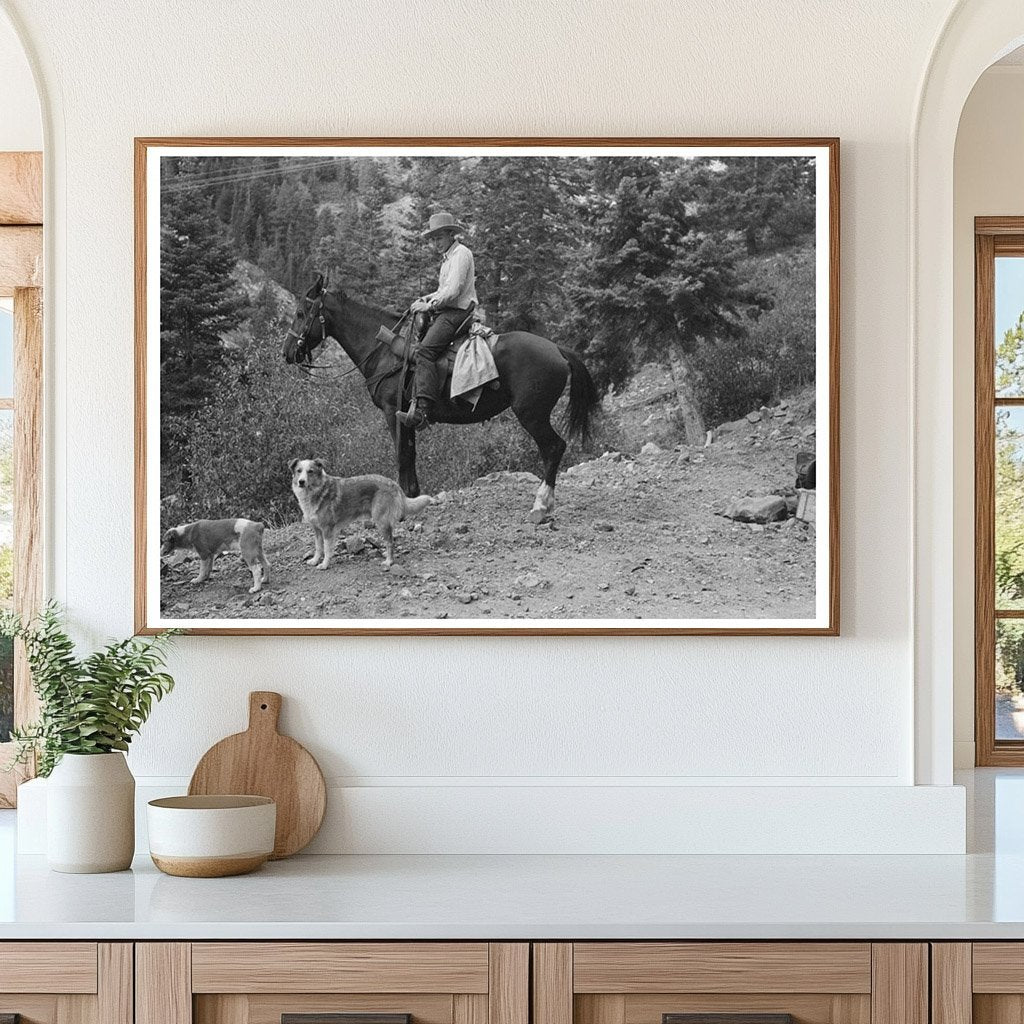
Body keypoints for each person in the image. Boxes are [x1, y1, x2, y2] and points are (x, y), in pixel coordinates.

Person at [396, 211, 478, 430]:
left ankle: (423, 411)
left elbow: (453, 291)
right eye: (433, 239)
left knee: (424, 351)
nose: (435, 243)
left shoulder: (461, 254)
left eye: (439, 237)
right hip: (448, 310)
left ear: (451, 234)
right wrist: (427, 297)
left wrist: (429, 306)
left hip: (457, 313)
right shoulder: (449, 258)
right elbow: (443, 290)